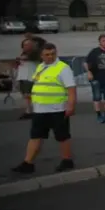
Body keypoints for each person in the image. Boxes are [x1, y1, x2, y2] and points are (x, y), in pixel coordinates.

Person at [12, 43, 78, 173]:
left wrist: (71, 105)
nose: (50, 57)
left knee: (62, 136)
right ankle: (28, 163)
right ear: (41, 55)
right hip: (40, 109)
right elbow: (37, 85)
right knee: (35, 136)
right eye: (47, 54)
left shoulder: (62, 68)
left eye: (53, 53)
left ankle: (67, 160)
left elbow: (71, 89)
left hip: (57, 109)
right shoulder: (40, 67)